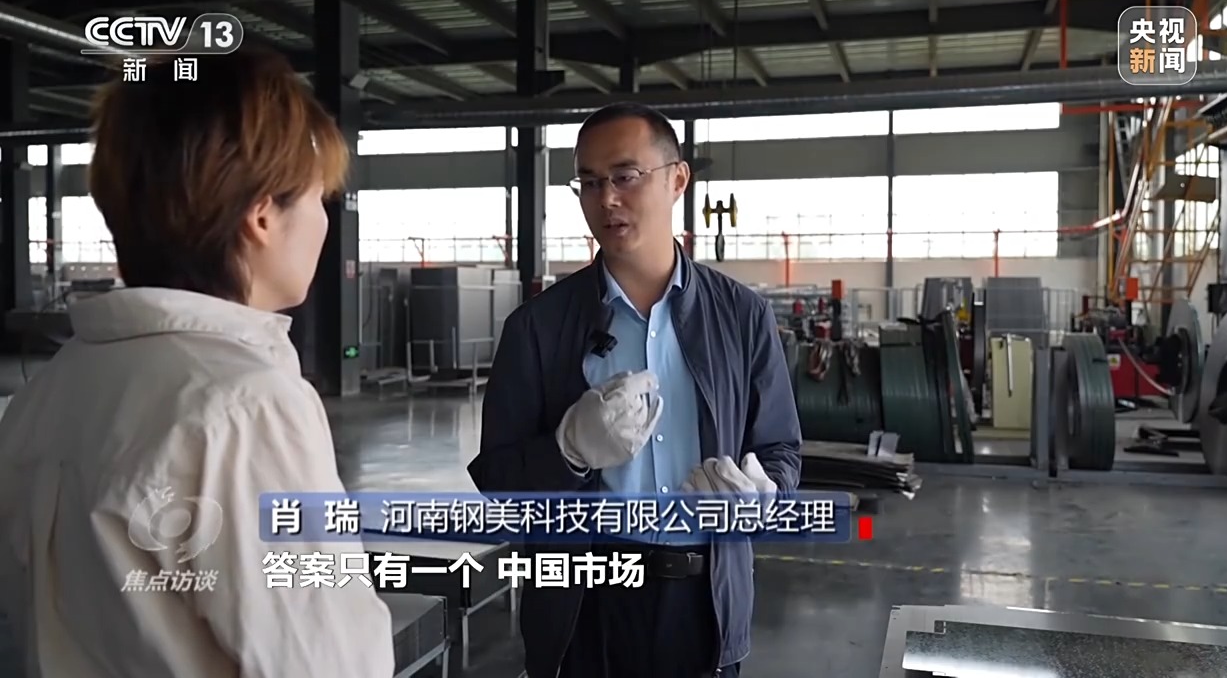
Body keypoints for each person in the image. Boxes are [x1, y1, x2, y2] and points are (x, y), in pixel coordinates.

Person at [0, 48, 395, 677]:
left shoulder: (51, 390)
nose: (324, 222)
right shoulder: (243, 405)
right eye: (319, 199)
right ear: (262, 215)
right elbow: (327, 662)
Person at [468, 103, 802, 678]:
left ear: (677, 180)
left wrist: (762, 494)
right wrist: (567, 454)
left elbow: (781, 449)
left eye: (625, 176)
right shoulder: (538, 328)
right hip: (583, 609)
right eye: (590, 183)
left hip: (704, 605)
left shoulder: (741, 316)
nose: (607, 199)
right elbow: (498, 482)